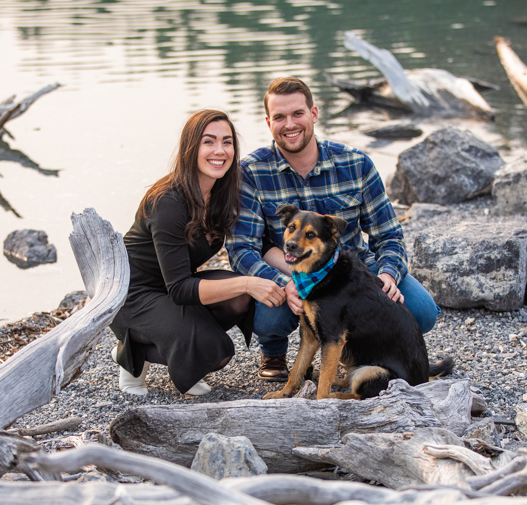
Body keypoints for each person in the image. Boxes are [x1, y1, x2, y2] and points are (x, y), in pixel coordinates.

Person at [227, 77, 441, 381]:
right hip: (292, 273)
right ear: (268, 122)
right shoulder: (251, 172)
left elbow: (389, 235)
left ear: (314, 114)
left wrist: (388, 274)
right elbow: (241, 250)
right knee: (269, 319)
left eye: (298, 114)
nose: (290, 124)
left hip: (353, 274)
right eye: (280, 117)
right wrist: (282, 282)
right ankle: (273, 351)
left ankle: (364, 354)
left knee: (421, 311)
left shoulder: (356, 164)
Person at [109, 109, 286, 396]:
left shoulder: (222, 195)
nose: (220, 150)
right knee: (217, 350)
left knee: (239, 299)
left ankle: (182, 345)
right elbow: (180, 289)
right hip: (134, 295)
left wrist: (296, 271)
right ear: (191, 148)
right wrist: (248, 282)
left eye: (227, 142)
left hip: (171, 287)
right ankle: (131, 356)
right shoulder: (167, 201)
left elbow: (257, 242)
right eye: (209, 141)